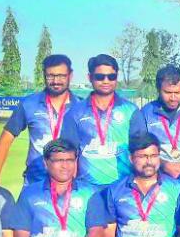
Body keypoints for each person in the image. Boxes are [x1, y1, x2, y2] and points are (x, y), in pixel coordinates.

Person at [0, 54, 81, 185]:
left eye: (61, 76)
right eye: (51, 76)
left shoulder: (81, 107)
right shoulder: (28, 104)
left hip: (69, 184)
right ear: (44, 74)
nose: (56, 81)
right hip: (35, 181)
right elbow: (6, 137)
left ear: (70, 75)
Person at [62, 54, 147, 189]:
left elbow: (142, 151)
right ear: (90, 78)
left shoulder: (131, 111)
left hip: (123, 187)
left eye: (111, 76)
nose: (106, 81)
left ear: (116, 76)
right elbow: (67, 153)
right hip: (87, 187)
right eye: (100, 77)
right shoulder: (75, 113)